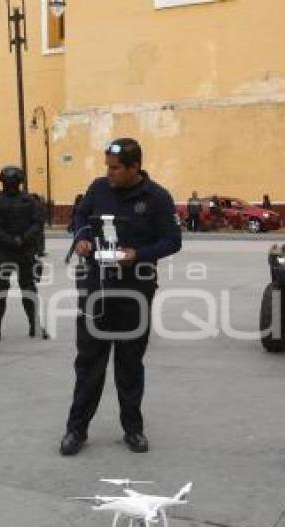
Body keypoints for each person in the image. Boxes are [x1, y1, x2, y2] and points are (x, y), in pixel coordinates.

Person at [60, 138, 182, 456]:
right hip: (95, 288)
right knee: (89, 363)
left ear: (134, 168)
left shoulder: (157, 198)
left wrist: (138, 255)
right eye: (107, 167)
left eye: (115, 168)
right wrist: (83, 238)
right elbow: (79, 218)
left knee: (129, 363)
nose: (109, 173)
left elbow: (172, 241)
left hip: (134, 291)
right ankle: (76, 430)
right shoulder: (98, 189)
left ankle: (133, 430)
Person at [0, 165, 48, 343]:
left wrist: (22, 238)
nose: (10, 185)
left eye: (13, 182)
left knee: (28, 289)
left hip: (24, 250)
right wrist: (9, 239)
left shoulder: (29, 200)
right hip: (2, 251)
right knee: (0, 291)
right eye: (8, 182)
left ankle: (35, 325)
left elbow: (38, 223)